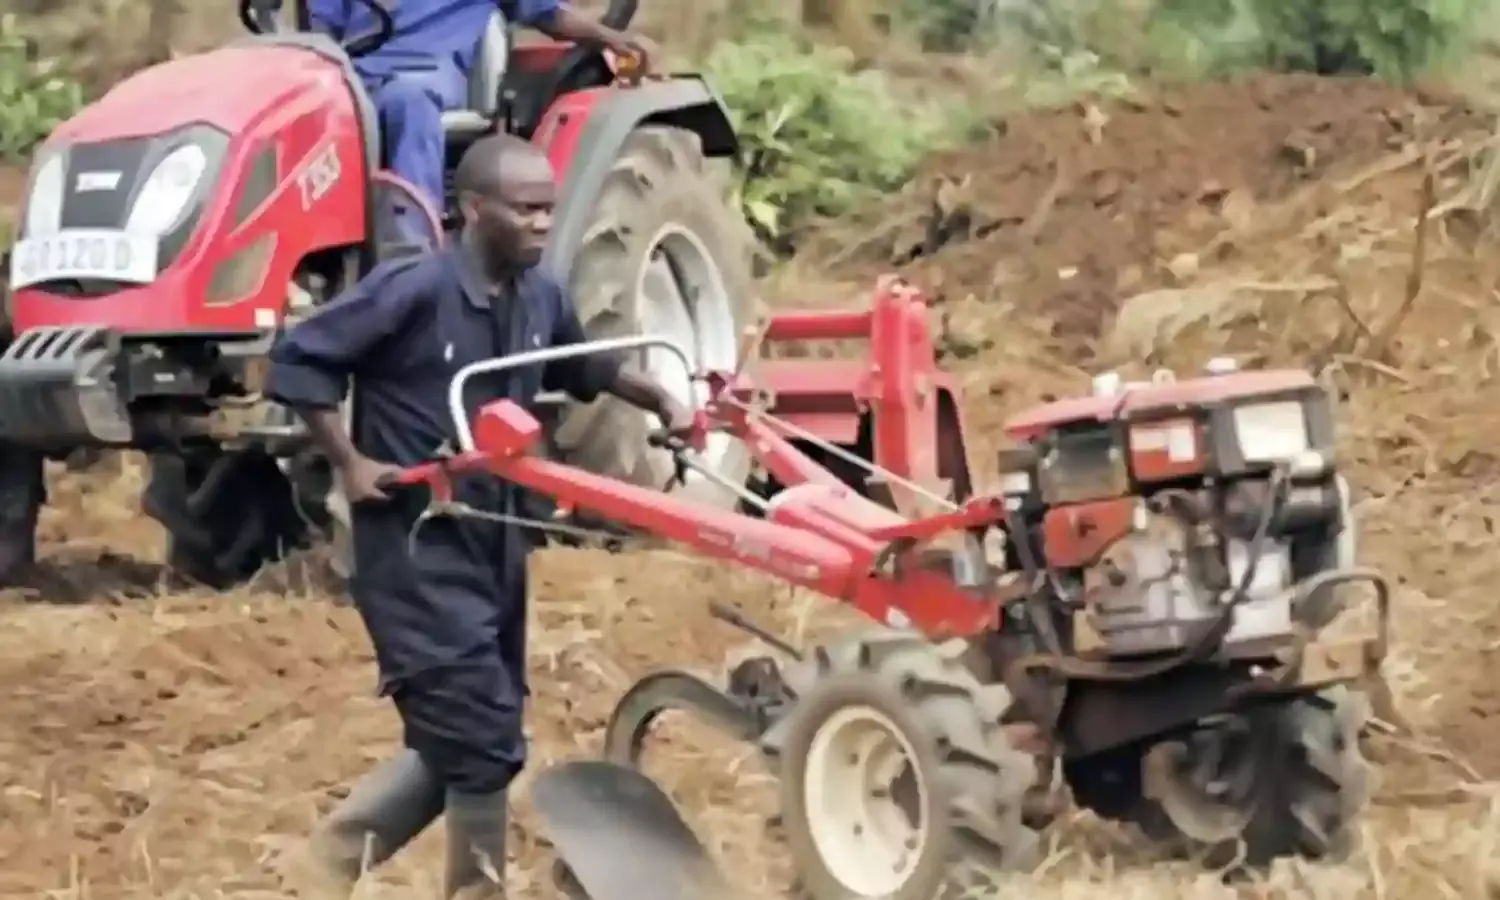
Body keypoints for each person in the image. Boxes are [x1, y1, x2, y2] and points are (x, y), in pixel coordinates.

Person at [268, 133, 693, 899]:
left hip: (496, 540)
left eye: (549, 210)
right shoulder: (412, 291)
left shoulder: (541, 293)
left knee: (467, 736)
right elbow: (299, 361)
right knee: (485, 737)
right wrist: (348, 460)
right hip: (414, 545)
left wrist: (652, 392)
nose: (541, 224)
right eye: (526, 209)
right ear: (472, 210)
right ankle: (473, 889)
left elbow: (577, 360)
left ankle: (324, 866)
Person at [307, 0, 658, 238]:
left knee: (407, 101)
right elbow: (318, 33)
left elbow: (549, 14)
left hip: (428, 71)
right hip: (352, 73)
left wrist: (614, 39)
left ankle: (412, 254)